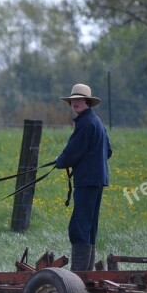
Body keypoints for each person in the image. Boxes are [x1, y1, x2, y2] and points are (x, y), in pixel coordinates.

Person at [55, 83, 112, 271]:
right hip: (97, 180)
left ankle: (79, 275)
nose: (75, 103)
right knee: (89, 226)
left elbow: (72, 152)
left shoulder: (85, 123)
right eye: (73, 100)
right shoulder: (97, 122)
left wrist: (60, 161)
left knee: (79, 226)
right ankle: (86, 273)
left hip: (87, 181)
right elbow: (108, 151)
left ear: (87, 102)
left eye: (79, 100)